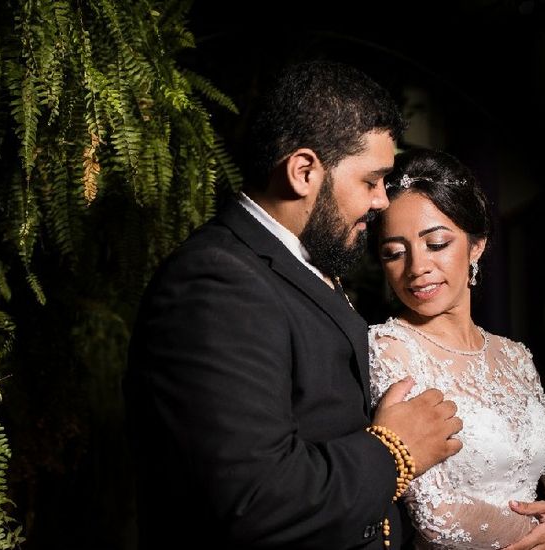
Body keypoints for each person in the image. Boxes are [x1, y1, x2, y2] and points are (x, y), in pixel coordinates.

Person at [123, 60, 463, 549]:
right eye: (371, 181)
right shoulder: (216, 282)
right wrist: (395, 450)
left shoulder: (296, 265)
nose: (382, 202)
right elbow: (255, 498)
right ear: (304, 171)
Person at [368, 148, 545, 550]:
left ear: (476, 247)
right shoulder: (391, 349)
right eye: (395, 252)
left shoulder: (515, 356)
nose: (417, 266)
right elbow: (437, 512)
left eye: (436, 243)